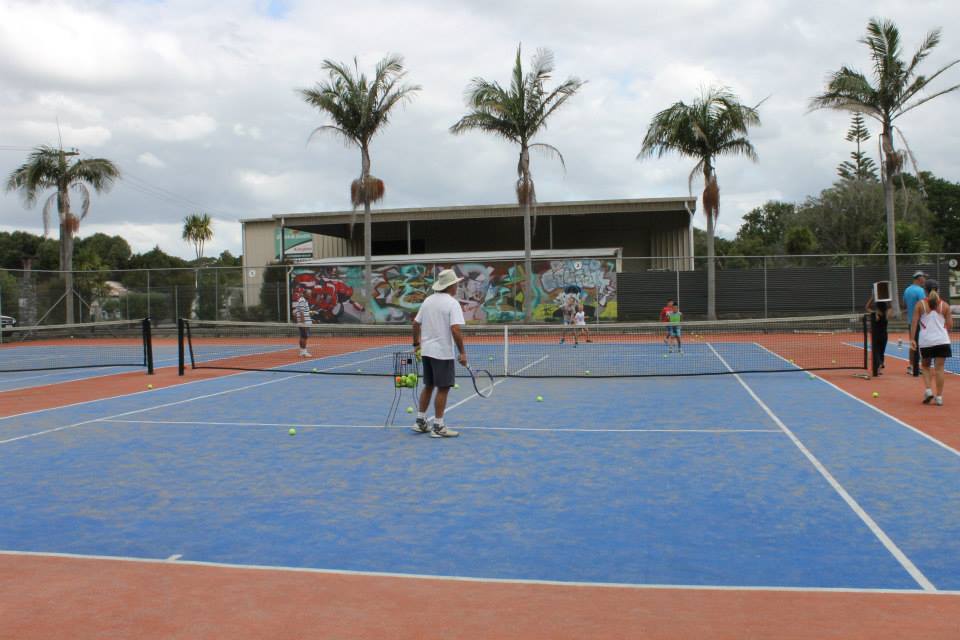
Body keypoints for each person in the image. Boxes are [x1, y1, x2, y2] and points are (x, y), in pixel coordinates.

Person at [412, 269, 468, 438]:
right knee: (443, 388)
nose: (457, 285)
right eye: (456, 283)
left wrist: (416, 345)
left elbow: (415, 324)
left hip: (426, 352)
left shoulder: (428, 301)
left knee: (428, 386)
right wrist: (463, 353)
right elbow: (455, 329)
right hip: (442, 353)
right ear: (451, 285)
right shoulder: (452, 303)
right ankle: (438, 426)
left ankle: (420, 421)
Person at [910, 279, 953, 406]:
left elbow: (914, 323)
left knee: (925, 366)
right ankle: (939, 397)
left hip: (926, 341)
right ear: (938, 290)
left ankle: (928, 390)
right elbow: (950, 325)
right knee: (939, 369)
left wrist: (912, 339)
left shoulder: (920, 304)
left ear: (925, 291)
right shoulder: (945, 305)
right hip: (942, 340)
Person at [903, 271, 927, 376]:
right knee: (921, 345)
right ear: (919, 278)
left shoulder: (907, 290)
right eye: (924, 277)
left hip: (910, 322)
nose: (925, 279)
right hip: (920, 323)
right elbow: (925, 305)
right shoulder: (920, 290)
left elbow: (904, 304)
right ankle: (917, 367)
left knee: (913, 344)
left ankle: (911, 366)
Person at [865, 294, 891, 377]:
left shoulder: (875, 314)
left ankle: (879, 364)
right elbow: (890, 307)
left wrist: (872, 298)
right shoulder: (887, 315)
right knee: (881, 352)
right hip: (884, 336)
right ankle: (879, 367)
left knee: (876, 352)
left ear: (877, 307)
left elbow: (867, 307)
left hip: (876, 336)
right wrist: (888, 298)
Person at [292, 289, 312, 357]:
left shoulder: (304, 301)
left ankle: (302, 352)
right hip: (304, 323)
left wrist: (311, 313)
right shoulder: (302, 301)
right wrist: (303, 323)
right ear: (305, 294)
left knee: (303, 336)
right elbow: (301, 312)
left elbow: (303, 312)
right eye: (309, 294)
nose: (310, 295)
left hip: (305, 322)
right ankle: (304, 352)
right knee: (304, 337)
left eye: (310, 294)